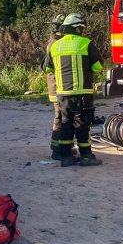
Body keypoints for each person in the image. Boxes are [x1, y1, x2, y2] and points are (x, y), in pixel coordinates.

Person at [43, 13, 103, 167]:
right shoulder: (85, 43)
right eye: (81, 28)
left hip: (62, 94)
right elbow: (98, 66)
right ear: (77, 28)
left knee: (66, 124)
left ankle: (66, 157)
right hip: (81, 92)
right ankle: (86, 156)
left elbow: (48, 68)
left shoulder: (55, 45)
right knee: (82, 125)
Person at [44, 14, 70, 160]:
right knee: (59, 118)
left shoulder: (55, 41)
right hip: (57, 87)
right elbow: (49, 67)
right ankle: (56, 150)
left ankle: (63, 147)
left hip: (59, 86)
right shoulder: (55, 43)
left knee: (63, 117)